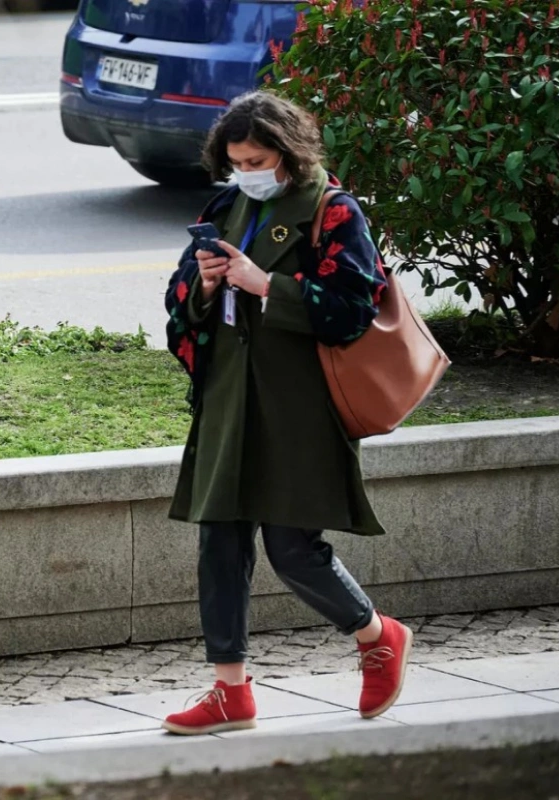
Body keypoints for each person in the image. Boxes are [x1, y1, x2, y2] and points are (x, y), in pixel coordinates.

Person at [161, 92, 412, 735]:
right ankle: (229, 691)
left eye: (257, 158)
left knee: (293, 546)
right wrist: (207, 284)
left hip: (298, 401)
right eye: (236, 158)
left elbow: (355, 306)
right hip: (228, 394)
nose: (245, 168)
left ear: (289, 154)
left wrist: (268, 284)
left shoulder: (333, 211)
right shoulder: (226, 204)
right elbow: (178, 300)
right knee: (220, 540)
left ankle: (377, 635)